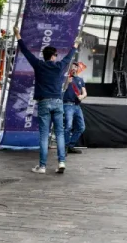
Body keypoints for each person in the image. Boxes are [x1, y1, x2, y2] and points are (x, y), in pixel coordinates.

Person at [13, 26, 79, 174]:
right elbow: (69, 57)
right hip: (57, 101)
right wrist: (75, 45)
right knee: (60, 134)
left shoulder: (38, 65)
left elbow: (25, 51)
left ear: (44, 56)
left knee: (44, 135)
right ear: (54, 56)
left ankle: (42, 166)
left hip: (43, 102)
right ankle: (61, 162)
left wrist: (18, 35)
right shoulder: (60, 66)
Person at [63, 62, 87, 154]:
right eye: (72, 66)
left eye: (76, 66)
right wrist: (67, 81)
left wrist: (82, 96)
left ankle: (70, 146)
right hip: (67, 104)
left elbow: (85, 92)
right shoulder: (66, 78)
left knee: (81, 127)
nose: (74, 67)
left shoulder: (80, 79)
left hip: (77, 106)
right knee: (68, 126)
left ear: (78, 68)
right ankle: (64, 147)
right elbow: (63, 88)